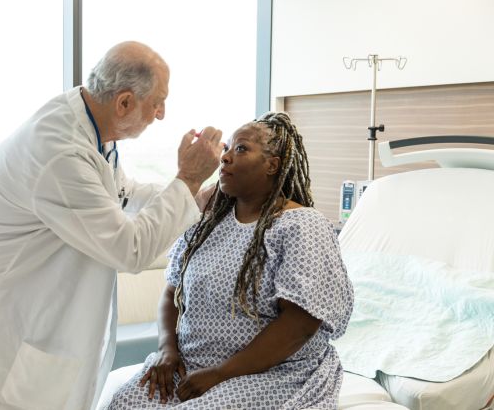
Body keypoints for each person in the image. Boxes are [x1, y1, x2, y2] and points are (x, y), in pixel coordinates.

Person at [0, 41, 224, 410]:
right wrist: (187, 180)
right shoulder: (59, 150)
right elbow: (130, 249)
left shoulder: (91, 127)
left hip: (19, 302)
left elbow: (119, 192)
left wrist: (195, 197)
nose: (161, 114)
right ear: (124, 102)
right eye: (157, 102)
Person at [105, 112, 354, 410]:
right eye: (226, 149)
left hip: (271, 375)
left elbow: (300, 324)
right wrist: (167, 351)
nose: (225, 158)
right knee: (122, 403)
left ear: (273, 165)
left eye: (241, 149)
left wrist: (221, 374)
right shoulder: (207, 223)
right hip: (191, 366)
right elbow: (172, 293)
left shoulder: (301, 226)